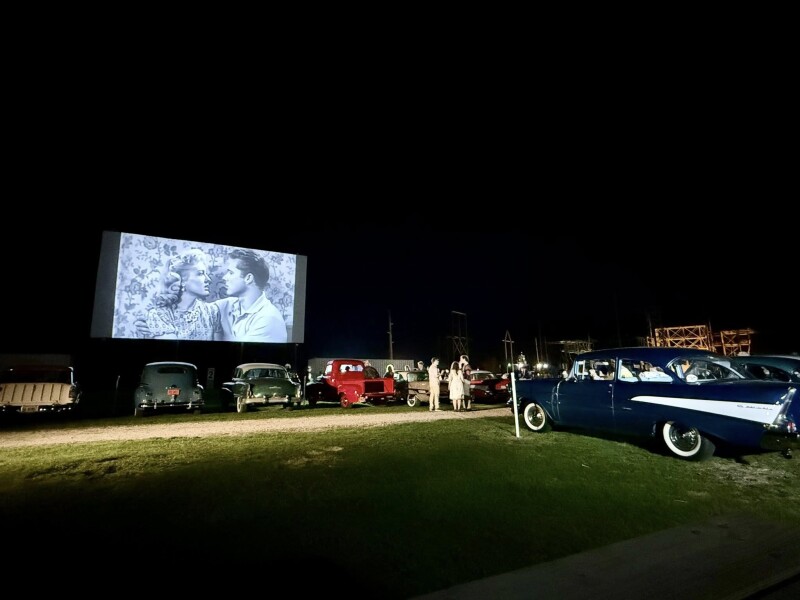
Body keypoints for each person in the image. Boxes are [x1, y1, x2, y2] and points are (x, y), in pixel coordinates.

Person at [144, 249, 222, 340]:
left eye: (206, 274)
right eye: (200, 274)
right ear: (182, 280)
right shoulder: (159, 315)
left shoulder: (212, 311)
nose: (208, 280)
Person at [217, 248, 288, 342]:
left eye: (231, 272)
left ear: (248, 278)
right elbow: (202, 309)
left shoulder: (269, 318)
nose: (224, 277)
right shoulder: (227, 304)